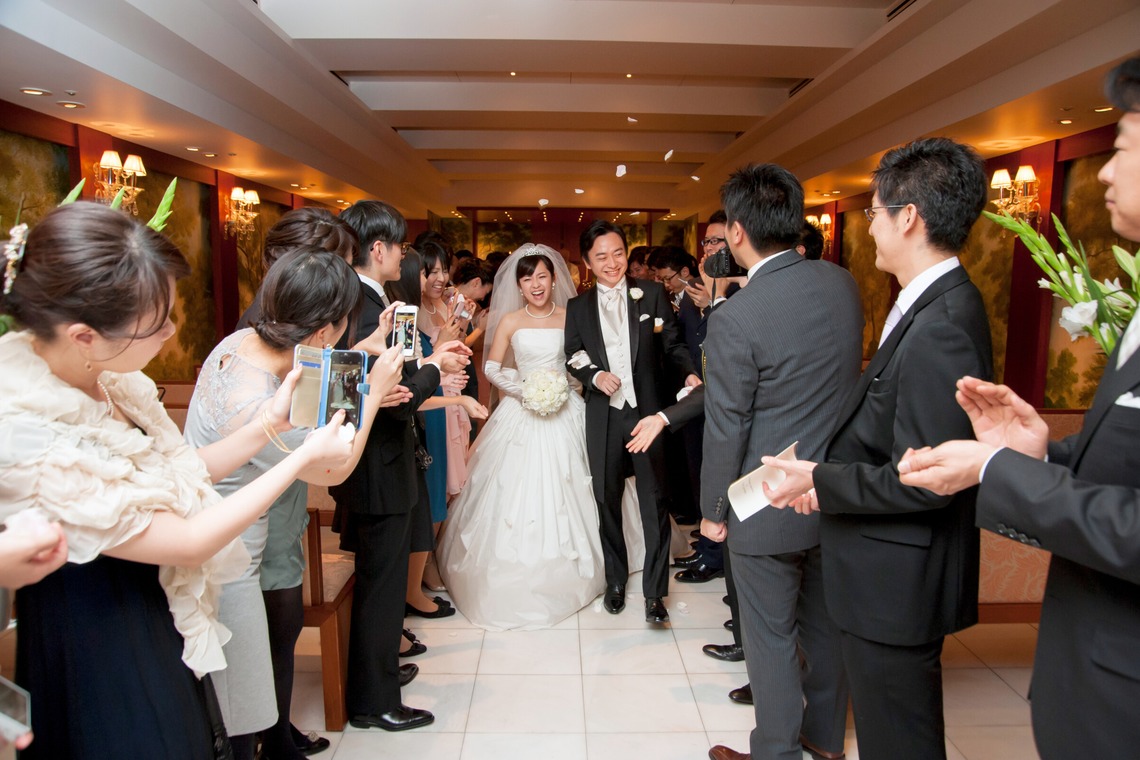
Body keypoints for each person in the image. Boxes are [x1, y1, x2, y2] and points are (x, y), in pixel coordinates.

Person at [0, 202, 365, 759]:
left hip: (160, 605)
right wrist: (299, 457)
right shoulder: (33, 432)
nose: (172, 333)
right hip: (102, 634)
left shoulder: (111, 382)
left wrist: (269, 423)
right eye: (157, 323)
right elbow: (187, 538)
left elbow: (178, 473)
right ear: (83, 336)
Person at [895, 57, 1140, 760]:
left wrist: (1000, 469)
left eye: (1121, 146)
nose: (1102, 172)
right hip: (1091, 680)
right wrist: (1041, 452)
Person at [762, 137, 994, 760]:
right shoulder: (927, 305)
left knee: (901, 742)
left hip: (899, 581)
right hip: (888, 571)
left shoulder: (942, 323)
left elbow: (924, 477)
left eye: (874, 212)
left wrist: (819, 480)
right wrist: (826, 478)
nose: (869, 227)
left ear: (908, 217)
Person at [184, 247, 405, 760]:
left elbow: (318, 372)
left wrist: (363, 350)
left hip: (222, 533)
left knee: (237, 697)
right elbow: (334, 467)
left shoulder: (242, 341)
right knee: (235, 710)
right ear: (326, 330)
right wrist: (373, 390)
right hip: (228, 554)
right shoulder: (262, 401)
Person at [701, 164, 861, 760]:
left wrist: (713, 511)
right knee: (825, 625)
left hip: (763, 500)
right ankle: (822, 741)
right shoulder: (843, 286)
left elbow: (728, 426)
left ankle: (775, 751)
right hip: (834, 491)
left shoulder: (737, 316)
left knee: (769, 634)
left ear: (737, 232)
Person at [438, 244, 644, 629]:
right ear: (518, 284)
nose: (536, 284)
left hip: (568, 410)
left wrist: (563, 386)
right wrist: (526, 390)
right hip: (521, 411)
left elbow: (580, 363)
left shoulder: (572, 317)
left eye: (543, 276)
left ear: (555, 280)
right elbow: (493, 368)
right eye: (528, 277)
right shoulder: (510, 322)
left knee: (588, 484)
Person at [332, 200, 470, 732]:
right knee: (381, 586)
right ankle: (372, 701)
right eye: (401, 246)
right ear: (378, 250)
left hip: (385, 460)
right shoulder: (367, 310)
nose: (405, 255)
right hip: (379, 463)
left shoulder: (375, 301)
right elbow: (395, 397)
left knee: (383, 583)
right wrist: (436, 368)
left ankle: (379, 677)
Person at [564, 221, 700, 624]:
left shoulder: (653, 294)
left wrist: (690, 372)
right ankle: (616, 582)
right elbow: (571, 353)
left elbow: (672, 344)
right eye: (601, 256)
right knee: (607, 501)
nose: (612, 263)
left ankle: (655, 595)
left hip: (648, 415)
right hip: (604, 416)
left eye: (618, 253)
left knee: (655, 502)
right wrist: (593, 376)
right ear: (588, 262)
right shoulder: (578, 307)